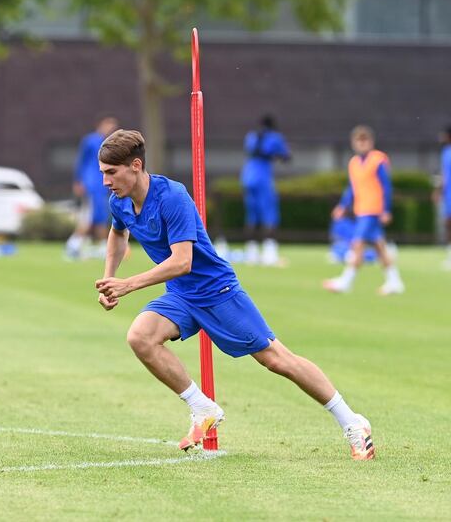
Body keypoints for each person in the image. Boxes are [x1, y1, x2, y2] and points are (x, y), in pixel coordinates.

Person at [94, 129, 374, 460]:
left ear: (135, 166)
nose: (106, 182)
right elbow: (117, 233)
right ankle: (202, 408)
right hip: (182, 295)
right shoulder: (120, 202)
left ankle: (353, 422)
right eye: (103, 174)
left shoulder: (172, 197)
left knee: (277, 360)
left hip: (217, 290)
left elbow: (182, 262)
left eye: (111, 173)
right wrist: (109, 279)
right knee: (140, 337)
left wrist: (128, 284)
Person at [323, 126, 404, 294]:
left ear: (371, 142)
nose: (362, 144)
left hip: (373, 209)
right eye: (359, 140)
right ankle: (394, 281)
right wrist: (343, 206)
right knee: (379, 247)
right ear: (353, 143)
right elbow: (351, 188)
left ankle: (346, 281)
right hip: (362, 208)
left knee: (357, 243)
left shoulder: (377, 160)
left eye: (365, 140)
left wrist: (386, 210)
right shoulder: (353, 163)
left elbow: (386, 187)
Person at [65, 116, 119, 259]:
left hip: (102, 186)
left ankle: (102, 247)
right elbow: (81, 161)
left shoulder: (110, 144)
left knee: (102, 215)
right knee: (89, 216)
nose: (110, 130)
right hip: (91, 185)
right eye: (108, 126)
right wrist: (78, 181)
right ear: (101, 125)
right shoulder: (91, 140)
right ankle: (73, 245)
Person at [240, 115, 291, 265]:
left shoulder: (251, 136)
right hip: (262, 177)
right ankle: (270, 252)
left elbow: (251, 151)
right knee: (270, 213)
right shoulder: (275, 137)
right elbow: (286, 156)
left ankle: (251, 252)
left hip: (248, 176)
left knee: (252, 215)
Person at [434, 126, 451, 269]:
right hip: (449, 195)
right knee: (448, 224)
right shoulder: (445, 153)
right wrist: (439, 191)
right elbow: (444, 176)